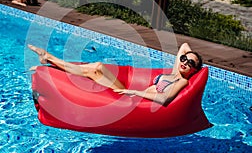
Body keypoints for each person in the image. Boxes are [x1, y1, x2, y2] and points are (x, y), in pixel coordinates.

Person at [28, 43, 203, 105]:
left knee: (94, 70)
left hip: (131, 101)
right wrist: (190, 58)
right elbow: (184, 46)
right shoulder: (175, 71)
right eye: (184, 59)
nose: (185, 63)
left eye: (191, 64)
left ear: (194, 69)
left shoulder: (182, 82)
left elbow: (163, 99)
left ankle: (49, 61)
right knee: (97, 67)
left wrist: (134, 92)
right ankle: (50, 62)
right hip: (128, 95)